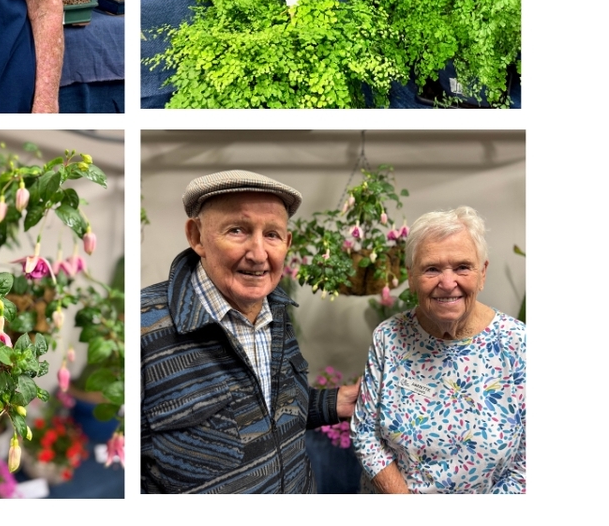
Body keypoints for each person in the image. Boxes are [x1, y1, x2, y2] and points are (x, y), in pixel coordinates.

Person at [140, 170, 358, 493]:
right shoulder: (143, 327)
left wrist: (336, 402)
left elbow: (269, 410)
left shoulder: (277, 309)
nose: (258, 254)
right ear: (197, 236)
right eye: (238, 230)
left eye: (271, 235)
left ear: (287, 243)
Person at [351, 206, 526, 493]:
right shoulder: (389, 337)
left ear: (482, 273)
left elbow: (527, 466)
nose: (447, 283)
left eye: (462, 267)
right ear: (411, 277)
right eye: (432, 268)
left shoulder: (520, 345)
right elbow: (365, 435)